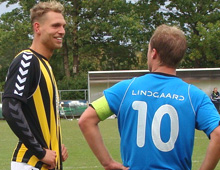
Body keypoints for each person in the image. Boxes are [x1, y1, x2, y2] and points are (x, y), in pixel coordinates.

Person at [78, 24, 220, 170]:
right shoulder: (195, 96)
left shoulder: (125, 89)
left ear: (153, 53)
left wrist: (107, 163)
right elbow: (218, 134)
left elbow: (86, 120)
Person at [2, 1, 68, 170]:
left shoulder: (44, 65)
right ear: (37, 28)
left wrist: (55, 143)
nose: (62, 31)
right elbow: (10, 107)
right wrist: (40, 151)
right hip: (31, 164)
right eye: (55, 26)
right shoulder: (27, 60)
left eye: (63, 26)